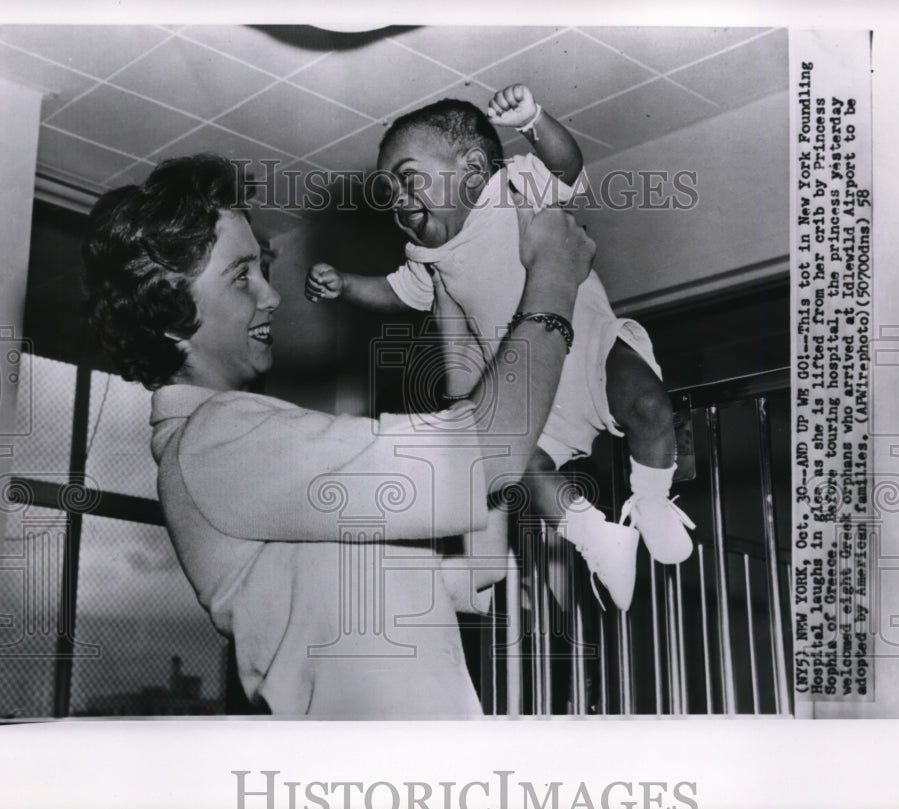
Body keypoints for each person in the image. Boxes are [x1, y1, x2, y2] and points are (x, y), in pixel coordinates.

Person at [82, 153, 594, 718]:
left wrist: (455, 308)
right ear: (169, 316)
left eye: (263, 270)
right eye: (240, 276)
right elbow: (487, 458)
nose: (271, 296)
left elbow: (479, 563)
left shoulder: (232, 450)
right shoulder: (218, 441)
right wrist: (553, 279)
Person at [305, 84, 695, 611]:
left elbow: (565, 164)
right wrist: (347, 285)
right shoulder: (429, 256)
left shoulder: (514, 191)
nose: (395, 199)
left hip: (590, 354)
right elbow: (396, 293)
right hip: (529, 387)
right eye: (387, 190)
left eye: (406, 178)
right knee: (522, 466)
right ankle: (595, 535)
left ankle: (651, 500)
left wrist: (534, 119)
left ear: (470, 169)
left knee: (651, 404)